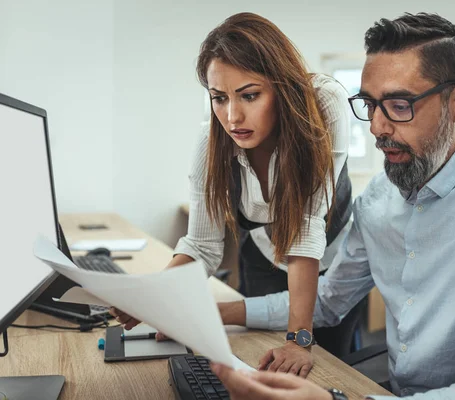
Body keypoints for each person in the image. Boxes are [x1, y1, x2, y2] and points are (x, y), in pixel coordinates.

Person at [213, 12, 455, 399]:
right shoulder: (378, 199)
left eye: (399, 105)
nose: (376, 127)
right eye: (369, 104)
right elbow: (328, 301)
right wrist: (223, 313)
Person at [110, 12, 355, 377]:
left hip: (328, 257)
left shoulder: (323, 104)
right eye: (218, 98)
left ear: (282, 87)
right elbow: (203, 245)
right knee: (257, 357)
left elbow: (305, 226)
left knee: (324, 369)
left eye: (249, 95)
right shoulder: (211, 143)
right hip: (262, 251)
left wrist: (300, 338)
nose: (232, 116)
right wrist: (152, 296)